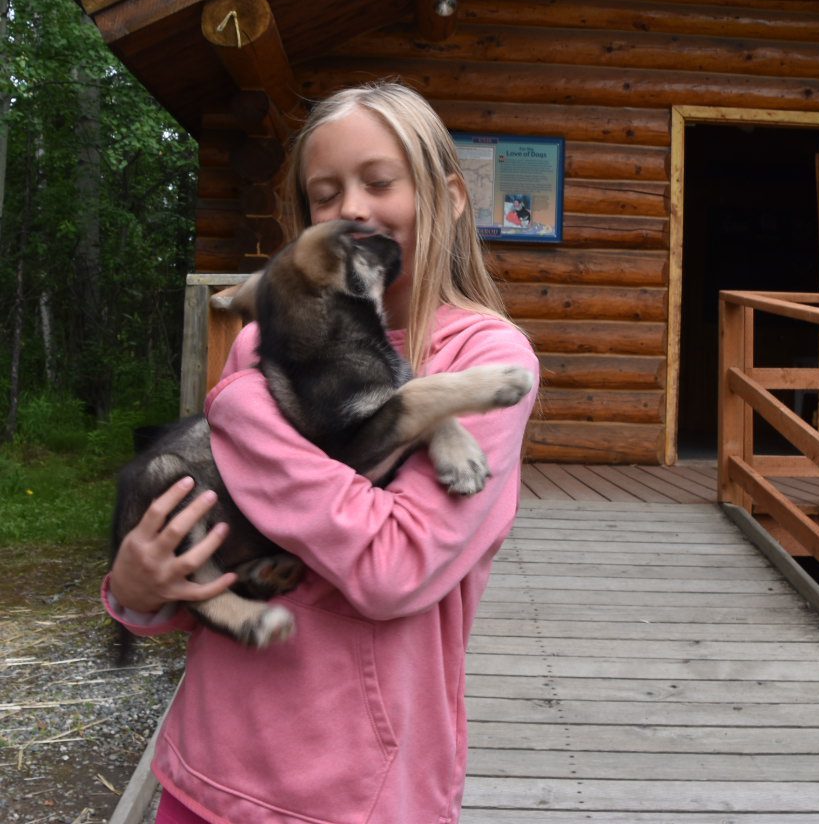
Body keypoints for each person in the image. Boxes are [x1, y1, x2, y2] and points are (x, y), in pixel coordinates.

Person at [104, 82, 539, 824]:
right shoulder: (257, 343)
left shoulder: (481, 357)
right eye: (325, 193)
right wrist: (136, 589)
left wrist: (245, 412)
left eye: (379, 181)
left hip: (354, 794)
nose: (353, 209)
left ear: (451, 196)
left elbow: (394, 569)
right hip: (205, 769)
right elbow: (226, 527)